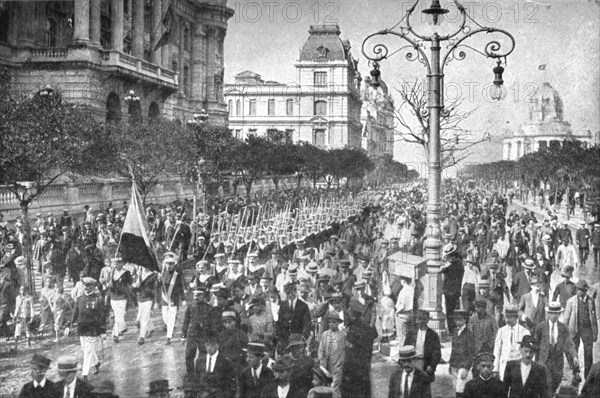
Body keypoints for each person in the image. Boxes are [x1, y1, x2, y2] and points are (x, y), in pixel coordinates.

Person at [533, 301, 578, 394]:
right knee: (547, 383)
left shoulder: (563, 327)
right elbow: (535, 344)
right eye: (552, 313)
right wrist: (534, 359)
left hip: (558, 361)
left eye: (556, 313)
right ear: (548, 313)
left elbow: (569, 343)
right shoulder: (540, 327)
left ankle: (550, 394)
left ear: (559, 314)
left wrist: (574, 355)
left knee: (556, 381)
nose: (554, 315)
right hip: (544, 360)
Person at [66, 277, 106, 380]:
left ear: (93, 286)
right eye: (85, 286)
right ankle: (96, 363)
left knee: (88, 351)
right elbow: (74, 314)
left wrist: (102, 331)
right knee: (86, 350)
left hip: (93, 329)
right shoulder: (79, 299)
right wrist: (68, 325)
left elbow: (102, 316)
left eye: (89, 286)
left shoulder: (98, 299)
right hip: (82, 329)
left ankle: (85, 374)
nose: (86, 288)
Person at [563, 279, 598, 379]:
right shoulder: (571, 301)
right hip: (574, 330)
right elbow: (566, 318)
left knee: (588, 354)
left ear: (585, 291)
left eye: (582, 290)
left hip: (587, 331)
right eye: (578, 289)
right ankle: (576, 373)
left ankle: (588, 377)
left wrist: (595, 333)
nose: (579, 292)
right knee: (574, 353)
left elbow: (594, 318)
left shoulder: (591, 301)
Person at [493, 304, 530, 380]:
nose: (507, 320)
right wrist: (495, 369)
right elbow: (497, 351)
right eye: (506, 317)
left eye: (510, 317)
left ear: (516, 318)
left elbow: (529, 351)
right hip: (504, 367)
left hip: (519, 368)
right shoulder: (501, 331)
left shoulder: (524, 332)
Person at [403, 310, 441, 382]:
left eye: (420, 319)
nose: (417, 322)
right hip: (413, 363)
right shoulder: (411, 333)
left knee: (425, 388)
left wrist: (432, 366)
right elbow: (405, 348)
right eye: (417, 319)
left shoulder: (433, 335)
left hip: (425, 364)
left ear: (426, 320)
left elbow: (437, 353)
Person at [182, 287, 212, 375]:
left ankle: (201, 375)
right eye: (195, 295)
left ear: (203, 296)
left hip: (203, 335)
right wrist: (183, 335)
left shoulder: (209, 308)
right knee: (189, 356)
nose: (196, 297)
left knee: (203, 355)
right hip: (192, 334)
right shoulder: (190, 306)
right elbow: (186, 321)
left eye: (199, 295)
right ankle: (190, 375)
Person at [318, 311, 346, 398]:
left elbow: (342, 352)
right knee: (325, 387)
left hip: (337, 365)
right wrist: (321, 361)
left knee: (334, 387)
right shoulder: (325, 334)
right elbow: (321, 349)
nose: (331, 324)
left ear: (338, 323)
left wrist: (338, 366)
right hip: (325, 365)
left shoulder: (342, 335)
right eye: (329, 322)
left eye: (333, 322)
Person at [160, 254, 185, 345]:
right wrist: (158, 280)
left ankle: (168, 337)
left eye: (171, 264)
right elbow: (158, 286)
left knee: (171, 318)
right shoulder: (162, 274)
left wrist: (183, 298)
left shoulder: (176, 275)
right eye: (167, 264)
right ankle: (172, 325)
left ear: (174, 265)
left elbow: (180, 287)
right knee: (165, 317)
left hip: (173, 299)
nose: (169, 266)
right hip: (164, 300)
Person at [448, 310, 474, 398]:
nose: (457, 322)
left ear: (464, 320)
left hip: (463, 365)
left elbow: (471, 352)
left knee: (461, 389)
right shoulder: (455, 332)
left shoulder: (468, 334)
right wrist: (450, 364)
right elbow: (453, 348)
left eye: (460, 319)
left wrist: (467, 368)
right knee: (456, 388)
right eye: (456, 319)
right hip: (454, 364)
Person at [107, 258, 132, 343]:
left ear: (122, 263)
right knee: (118, 315)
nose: (117, 265)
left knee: (119, 315)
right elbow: (107, 283)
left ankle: (115, 334)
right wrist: (108, 284)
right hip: (113, 296)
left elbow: (130, 282)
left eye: (118, 263)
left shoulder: (126, 273)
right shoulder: (111, 273)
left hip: (122, 296)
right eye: (115, 263)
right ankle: (122, 327)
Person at [440, 243, 464, 333]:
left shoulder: (452, 265)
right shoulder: (459, 263)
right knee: (454, 311)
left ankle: (452, 329)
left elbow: (442, 269)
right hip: (455, 291)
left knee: (450, 312)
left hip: (450, 291)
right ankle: (453, 329)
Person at [12, 284, 34, 349]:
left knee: (27, 330)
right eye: (21, 290)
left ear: (26, 290)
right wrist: (14, 316)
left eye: (24, 290)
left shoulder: (29, 298)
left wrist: (32, 316)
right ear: (19, 291)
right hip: (20, 317)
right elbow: (17, 308)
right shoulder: (17, 298)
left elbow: (32, 308)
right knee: (17, 330)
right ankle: (16, 346)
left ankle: (29, 344)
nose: (23, 291)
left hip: (26, 316)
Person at [394, 276, 414, 346]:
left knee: (402, 336)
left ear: (403, 281)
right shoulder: (412, 289)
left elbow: (402, 306)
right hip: (411, 314)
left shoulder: (403, 291)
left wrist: (396, 312)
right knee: (410, 335)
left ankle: (402, 348)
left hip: (403, 315)